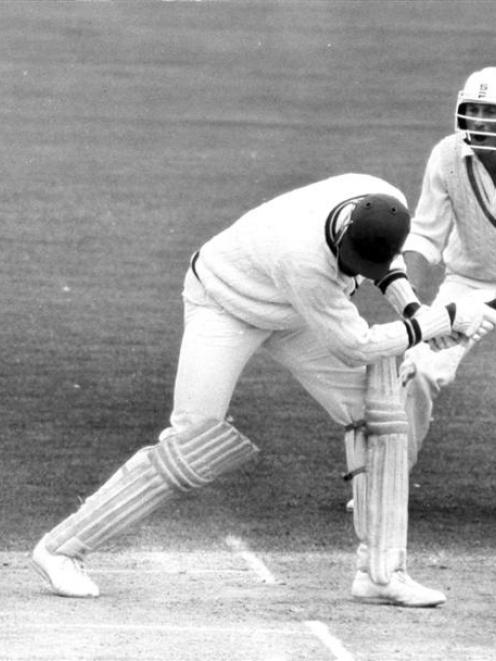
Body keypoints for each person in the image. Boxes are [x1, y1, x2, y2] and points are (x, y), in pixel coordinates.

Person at [31, 172, 496, 607]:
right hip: (227, 302)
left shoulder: (379, 197)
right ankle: (61, 549)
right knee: (193, 442)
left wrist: (418, 314)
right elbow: (357, 346)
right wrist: (441, 321)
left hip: (295, 315)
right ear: (342, 235)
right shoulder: (302, 257)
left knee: (381, 415)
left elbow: (387, 268)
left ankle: (380, 573)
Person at [400, 67, 496, 468]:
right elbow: (424, 238)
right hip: (469, 282)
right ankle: (388, 479)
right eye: (474, 110)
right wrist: (414, 315)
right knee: (418, 369)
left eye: (489, 113)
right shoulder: (447, 154)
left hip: (485, 301)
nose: (479, 121)